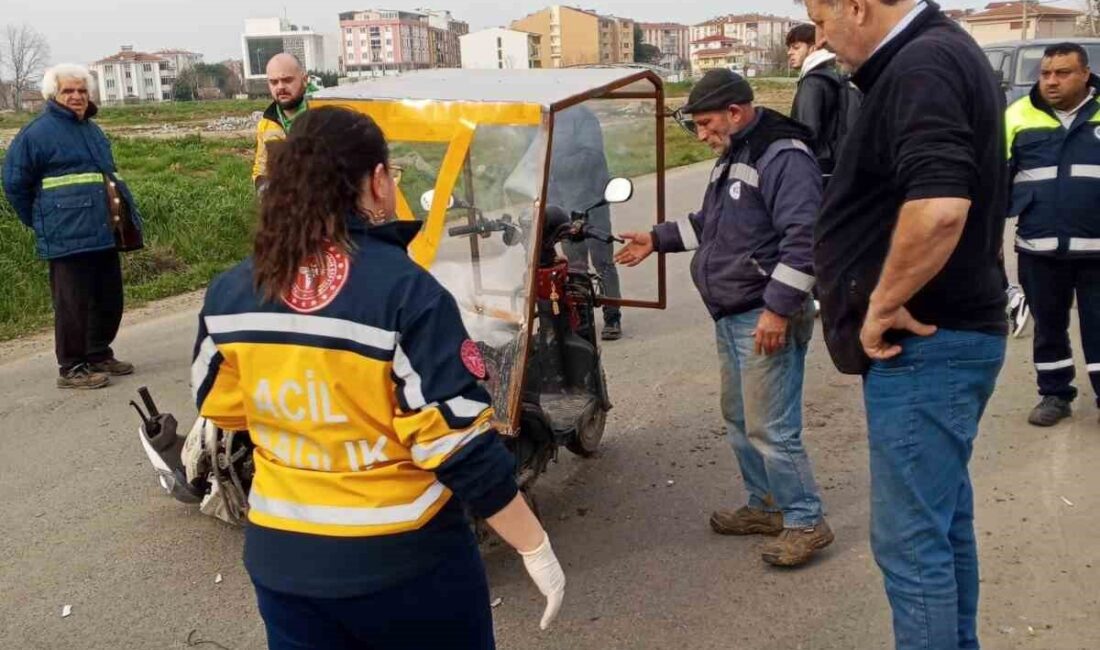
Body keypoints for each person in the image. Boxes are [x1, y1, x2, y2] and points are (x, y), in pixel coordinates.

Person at [192, 106, 565, 649]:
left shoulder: (232, 292)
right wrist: (533, 546)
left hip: (283, 560)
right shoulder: (405, 291)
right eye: (389, 172)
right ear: (374, 182)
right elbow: (457, 443)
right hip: (403, 563)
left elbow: (221, 405)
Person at [803, 1, 1008, 648]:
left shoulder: (922, 63)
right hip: (948, 341)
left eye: (820, 19)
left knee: (911, 542)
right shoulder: (934, 54)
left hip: (927, 345)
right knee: (941, 527)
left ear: (855, 7)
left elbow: (941, 207)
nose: (819, 38)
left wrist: (881, 305)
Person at [616, 70, 832, 568]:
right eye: (696, 126)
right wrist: (657, 238)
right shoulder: (734, 156)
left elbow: (805, 241)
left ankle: (806, 521)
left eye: (707, 124)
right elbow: (712, 224)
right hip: (734, 316)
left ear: (736, 113)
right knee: (740, 420)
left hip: (763, 314)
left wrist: (779, 309)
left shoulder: (783, 157)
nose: (702, 135)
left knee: (772, 427)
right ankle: (766, 507)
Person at [2, 63, 142, 390]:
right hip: (66, 235)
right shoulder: (35, 134)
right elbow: (14, 185)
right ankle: (72, 367)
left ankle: (98, 354)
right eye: (69, 91)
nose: (77, 96)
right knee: (72, 305)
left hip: (102, 231)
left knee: (109, 298)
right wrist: (41, 221)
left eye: (81, 91)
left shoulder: (91, 129)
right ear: (54, 94)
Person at [1006, 42, 1100, 427]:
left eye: (1062, 73)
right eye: (1046, 73)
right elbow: (996, 179)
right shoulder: (1017, 116)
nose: (1051, 81)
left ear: (1085, 75)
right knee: (1048, 327)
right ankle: (1055, 394)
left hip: (1097, 250)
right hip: (1039, 248)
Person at [551, 105, 624, 341]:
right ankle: (580, 318)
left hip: (594, 201)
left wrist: (554, 164)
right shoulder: (548, 116)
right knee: (574, 266)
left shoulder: (583, 117)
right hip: (564, 205)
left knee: (603, 262)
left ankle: (612, 316)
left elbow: (592, 155)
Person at [786, 23, 850, 175]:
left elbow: (807, 131)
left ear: (813, 48)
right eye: (789, 48)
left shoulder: (812, 82)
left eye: (796, 47)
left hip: (817, 168)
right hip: (837, 164)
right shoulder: (833, 77)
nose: (789, 53)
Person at [252, 53, 310, 192]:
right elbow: (260, 169)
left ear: (305, 79)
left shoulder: (323, 116)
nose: (280, 87)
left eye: (287, 80)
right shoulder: (266, 124)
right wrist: (264, 190)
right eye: (274, 82)